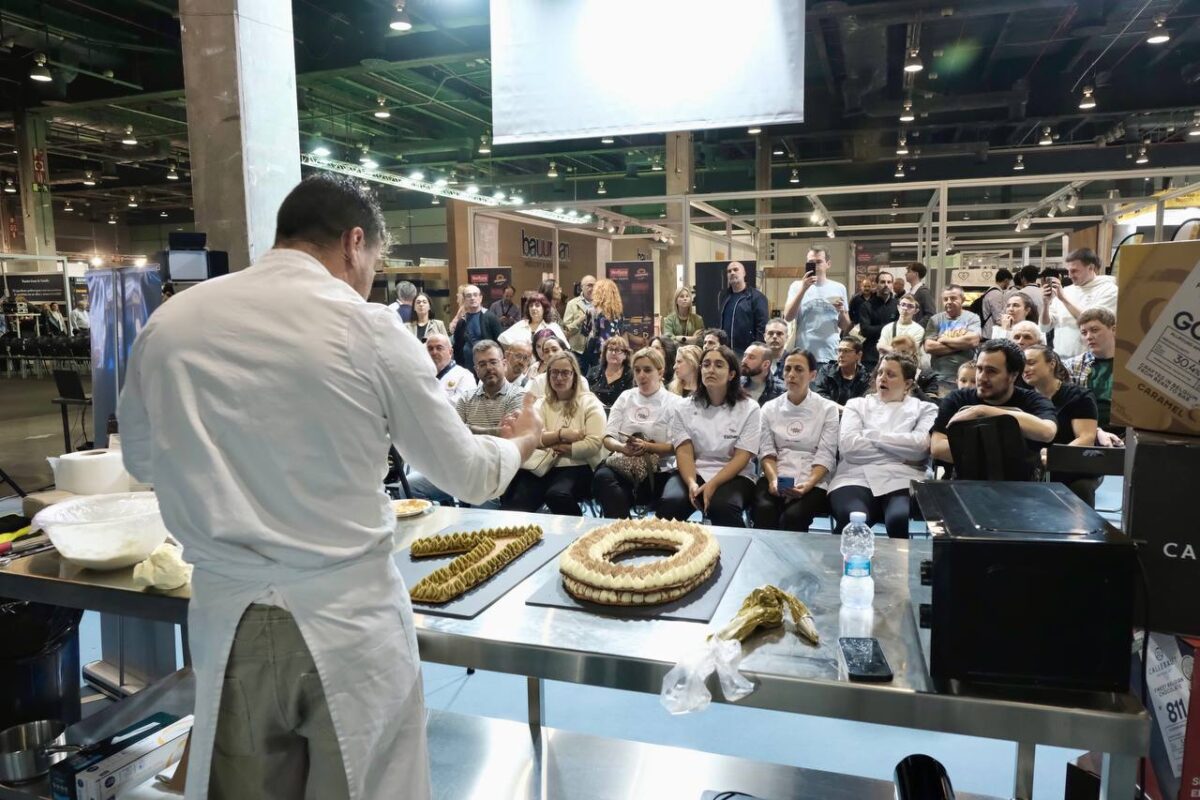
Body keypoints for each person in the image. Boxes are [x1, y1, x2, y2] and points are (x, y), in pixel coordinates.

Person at [116, 174, 542, 800]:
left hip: (228, 622)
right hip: (348, 623)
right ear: (353, 242)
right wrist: (523, 440)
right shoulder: (366, 328)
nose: (370, 279)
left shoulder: (171, 324)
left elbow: (142, 459)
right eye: (375, 262)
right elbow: (469, 475)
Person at [827, 354, 936, 539]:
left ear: (908, 384)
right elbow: (849, 447)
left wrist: (870, 435)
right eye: (880, 373)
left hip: (903, 479)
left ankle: (899, 559)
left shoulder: (925, 409)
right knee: (852, 517)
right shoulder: (856, 405)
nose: (882, 378)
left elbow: (920, 448)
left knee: (898, 518)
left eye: (890, 374)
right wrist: (902, 454)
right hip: (855, 476)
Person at [408, 340, 527, 505]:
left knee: (483, 503)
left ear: (504, 364)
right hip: (462, 466)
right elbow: (453, 434)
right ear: (476, 369)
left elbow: (509, 436)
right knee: (409, 486)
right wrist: (495, 431)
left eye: (493, 362)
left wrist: (468, 429)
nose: (489, 368)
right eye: (482, 364)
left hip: (495, 470)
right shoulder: (466, 398)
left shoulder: (518, 395)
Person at [660, 345, 762, 527]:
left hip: (735, 475)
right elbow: (684, 452)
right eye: (706, 365)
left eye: (719, 365)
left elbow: (742, 456)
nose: (710, 370)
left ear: (732, 374)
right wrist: (692, 484)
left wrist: (713, 484)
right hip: (694, 471)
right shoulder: (683, 407)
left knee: (722, 506)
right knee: (671, 502)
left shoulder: (750, 408)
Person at [930, 339, 1058, 474]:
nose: (982, 377)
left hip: (1019, 483)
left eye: (991, 371)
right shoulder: (958, 399)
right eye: (979, 369)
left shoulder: (1033, 401)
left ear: (1013, 375)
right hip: (967, 481)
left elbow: (1047, 432)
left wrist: (983, 411)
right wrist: (1000, 453)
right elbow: (937, 448)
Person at [502, 351, 605, 516]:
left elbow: (593, 444)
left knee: (557, 495)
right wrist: (561, 434)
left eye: (565, 373)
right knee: (516, 502)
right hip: (542, 466)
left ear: (574, 376)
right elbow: (531, 438)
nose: (559, 378)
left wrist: (563, 447)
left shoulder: (590, 402)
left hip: (578, 466)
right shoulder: (541, 403)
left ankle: (581, 531)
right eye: (554, 373)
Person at [753, 349, 840, 532]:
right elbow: (766, 452)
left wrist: (807, 485)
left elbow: (826, 454)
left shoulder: (827, 409)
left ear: (813, 375)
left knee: (793, 516)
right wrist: (774, 481)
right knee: (764, 510)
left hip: (813, 478)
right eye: (788, 369)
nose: (791, 374)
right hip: (776, 473)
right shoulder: (769, 408)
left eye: (799, 369)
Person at [594, 347, 683, 519]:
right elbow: (608, 437)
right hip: (624, 464)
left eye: (647, 370)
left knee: (672, 497)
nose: (641, 375)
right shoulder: (625, 397)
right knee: (602, 478)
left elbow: (676, 447)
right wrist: (622, 448)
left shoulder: (675, 402)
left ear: (660, 372)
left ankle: (650, 530)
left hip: (660, 470)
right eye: (637, 370)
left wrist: (647, 446)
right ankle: (623, 527)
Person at [1023, 344, 1102, 505]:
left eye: (1031, 363)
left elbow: (1086, 438)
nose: (1025, 369)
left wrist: (1054, 455)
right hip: (1034, 465)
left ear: (1051, 364)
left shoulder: (1078, 396)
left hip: (1074, 465)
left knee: (1081, 488)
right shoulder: (1023, 396)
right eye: (1022, 364)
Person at [1041, 248, 1118, 359]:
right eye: (1068, 271)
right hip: (1061, 358)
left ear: (1091, 268)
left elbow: (1092, 322)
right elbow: (1045, 327)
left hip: (1092, 359)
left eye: (1074, 271)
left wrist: (1064, 299)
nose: (1070, 275)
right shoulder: (1066, 291)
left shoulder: (1109, 290)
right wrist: (1045, 304)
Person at [783, 247, 850, 363]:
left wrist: (841, 311)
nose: (815, 265)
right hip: (804, 353)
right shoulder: (796, 286)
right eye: (811, 262)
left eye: (819, 262)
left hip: (831, 353)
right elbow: (788, 317)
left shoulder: (839, 288)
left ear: (828, 264)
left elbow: (845, 326)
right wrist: (803, 289)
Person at [1065, 307, 1122, 443]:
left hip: (1127, 433)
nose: (1089, 337)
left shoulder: (1130, 365)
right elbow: (1068, 408)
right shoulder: (1071, 366)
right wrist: (1096, 432)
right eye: (1084, 332)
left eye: (1095, 330)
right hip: (1087, 433)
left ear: (1114, 329)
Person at [924, 285, 982, 391]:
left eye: (953, 298)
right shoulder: (935, 320)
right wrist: (962, 345)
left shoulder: (972, 318)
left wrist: (944, 340)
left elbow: (973, 341)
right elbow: (929, 347)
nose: (949, 302)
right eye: (945, 299)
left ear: (963, 299)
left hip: (966, 379)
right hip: (939, 377)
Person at [717, 261, 769, 354]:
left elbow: (762, 327)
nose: (732, 273)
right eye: (729, 271)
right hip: (726, 352)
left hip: (747, 352)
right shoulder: (724, 297)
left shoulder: (757, 297)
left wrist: (757, 351)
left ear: (744, 273)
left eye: (736, 270)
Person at [450, 284, 502, 375]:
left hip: (488, 368)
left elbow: (500, 342)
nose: (472, 298)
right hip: (466, 368)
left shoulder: (490, 317)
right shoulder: (461, 321)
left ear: (480, 298)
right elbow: (457, 347)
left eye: (475, 295)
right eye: (469, 296)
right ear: (464, 299)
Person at [857, 270, 899, 369]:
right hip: (871, 357)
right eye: (883, 282)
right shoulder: (866, 306)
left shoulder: (898, 305)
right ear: (876, 284)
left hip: (893, 356)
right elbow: (865, 330)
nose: (886, 285)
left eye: (889, 282)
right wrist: (889, 327)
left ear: (892, 285)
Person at [528, 333, 590, 399]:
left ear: (565, 352)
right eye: (546, 351)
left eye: (554, 350)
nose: (550, 354)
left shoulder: (581, 381)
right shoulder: (538, 381)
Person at [813, 335, 870, 405]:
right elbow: (820, 396)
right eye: (839, 350)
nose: (841, 355)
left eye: (846, 351)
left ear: (859, 355)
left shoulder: (865, 377)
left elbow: (863, 403)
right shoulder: (826, 371)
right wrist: (843, 409)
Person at [425, 332, 476, 406]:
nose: (434, 352)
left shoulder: (465, 376)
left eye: (439, 348)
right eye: (430, 349)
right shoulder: (422, 376)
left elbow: (461, 406)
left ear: (450, 352)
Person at [498, 293, 565, 348]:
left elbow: (565, 347)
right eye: (531, 306)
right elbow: (502, 338)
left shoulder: (553, 326)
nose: (533, 308)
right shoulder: (521, 324)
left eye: (537, 305)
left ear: (544, 308)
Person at [588, 334, 634, 408]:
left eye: (618, 350)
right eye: (610, 349)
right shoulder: (594, 371)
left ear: (625, 355)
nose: (613, 353)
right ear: (605, 352)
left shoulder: (631, 375)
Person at [562, 274, 596, 366]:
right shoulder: (572, 304)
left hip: (596, 351)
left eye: (594, 285)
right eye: (589, 285)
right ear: (581, 287)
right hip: (578, 351)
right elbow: (566, 331)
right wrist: (579, 321)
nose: (592, 288)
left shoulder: (601, 304)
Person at [740, 341, 785, 406]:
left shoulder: (781, 391)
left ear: (765, 364)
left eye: (751, 357)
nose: (744, 361)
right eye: (744, 356)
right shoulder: (737, 383)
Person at [976, 268, 1013, 339]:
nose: (1009, 284)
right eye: (1009, 282)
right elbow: (998, 317)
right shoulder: (996, 294)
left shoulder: (991, 290)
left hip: (988, 331)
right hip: (990, 333)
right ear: (1006, 280)